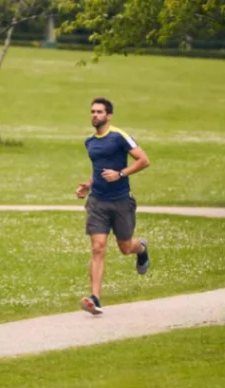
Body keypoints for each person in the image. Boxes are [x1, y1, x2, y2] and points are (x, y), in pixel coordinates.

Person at [76, 97, 151, 315]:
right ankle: (95, 298)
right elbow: (98, 168)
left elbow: (143, 160)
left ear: (109, 116)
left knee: (126, 248)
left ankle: (142, 248)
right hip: (98, 202)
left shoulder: (120, 137)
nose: (95, 115)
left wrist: (120, 174)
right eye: (92, 111)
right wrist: (88, 185)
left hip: (121, 201)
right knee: (98, 247)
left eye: (99, 112)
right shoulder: (90, 141)